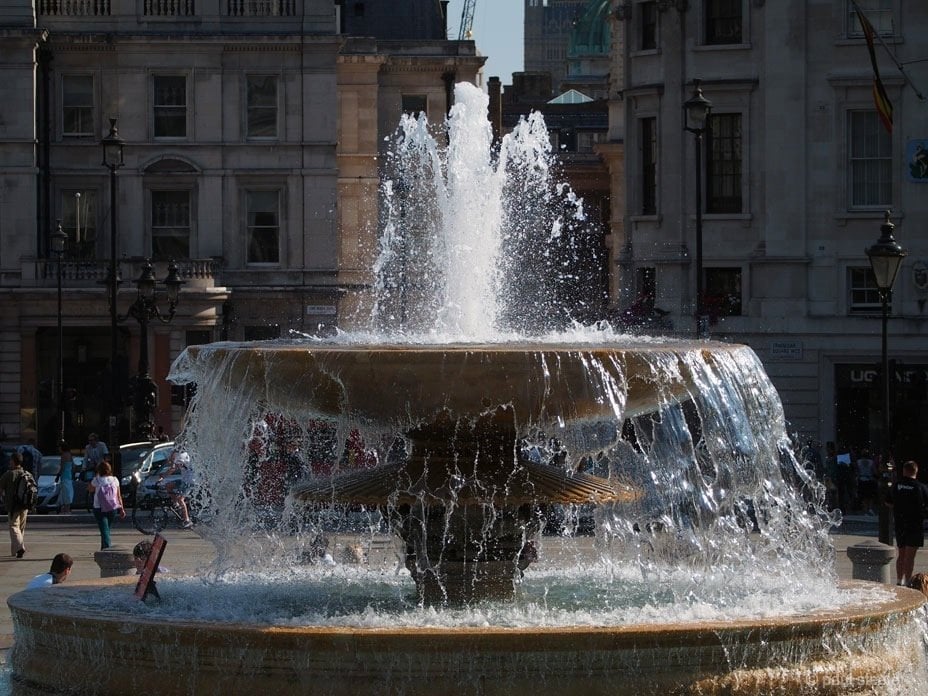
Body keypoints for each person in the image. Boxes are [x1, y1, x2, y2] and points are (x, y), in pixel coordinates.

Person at [887, 460, 928, 587]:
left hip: (900, 523)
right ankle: (909, 583)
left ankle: (899, 581)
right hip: (915, 525)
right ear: (916, 471)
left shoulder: (896, 485)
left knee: (901, 554)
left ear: (904, 470)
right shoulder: (921, 487)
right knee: (910, 557)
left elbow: (888, 502)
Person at [0, 451, 34, 558]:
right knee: (21, 529)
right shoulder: (27, 474)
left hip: (13, 505)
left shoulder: (8, 474)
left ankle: (20, 548)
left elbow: (0, 489)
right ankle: (15, 552)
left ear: (13, 461)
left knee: (14, 527)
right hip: (24, 505)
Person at [87, 458, 126, 550]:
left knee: (104, 530)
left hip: (99, 508)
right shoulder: (115, 480)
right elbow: (118, 496)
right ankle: (104, 548)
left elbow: (90, 489)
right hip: (112, 508)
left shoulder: (96, 480)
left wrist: (96, 476)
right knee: (106, 529)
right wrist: (121, 508)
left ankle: (107, 549)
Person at [159, 448, 194, 529]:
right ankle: (177, 505)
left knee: (180, 498)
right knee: (168, 485)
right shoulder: (178, 455)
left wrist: (163, 476)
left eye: (171, 456)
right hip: (184, 480)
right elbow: (172, 464)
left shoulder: (181, 456)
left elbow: (173, 469)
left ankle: (187, 520)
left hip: (190, 481)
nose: (170, 458)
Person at [855, 448, 877, 515]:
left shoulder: (858, 462)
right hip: (870, 479)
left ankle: (865, 510)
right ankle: (870, 508)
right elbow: (874, 471)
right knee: (870, 496)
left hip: (862, 479)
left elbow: (857, 472)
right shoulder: (871, 462)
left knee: (863, 496)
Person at [58, 440, 75, 514]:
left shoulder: (63, 455)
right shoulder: (70, 455)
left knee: (65, 493)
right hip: (69, 476)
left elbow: (62, 467)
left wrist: (58, 475)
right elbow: (73, 466)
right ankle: (67, 508)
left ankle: (66, 509)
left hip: (64, 476)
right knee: (69, 492)